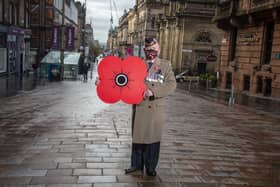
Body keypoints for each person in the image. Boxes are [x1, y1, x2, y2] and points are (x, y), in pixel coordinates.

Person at [125, 37, 177, 176]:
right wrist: (103, 81)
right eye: (148, 50)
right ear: (144, 50)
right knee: (138, 137)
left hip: (155, 108)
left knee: (152, 139)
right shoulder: (137, 64)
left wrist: (153, 92)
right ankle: (136, 165)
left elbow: (171, 85)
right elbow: (123, 79)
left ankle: (151, 167)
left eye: (154, 49)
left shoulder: (165, 66)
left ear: (159, 49)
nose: (151, 52)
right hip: (140, 106)